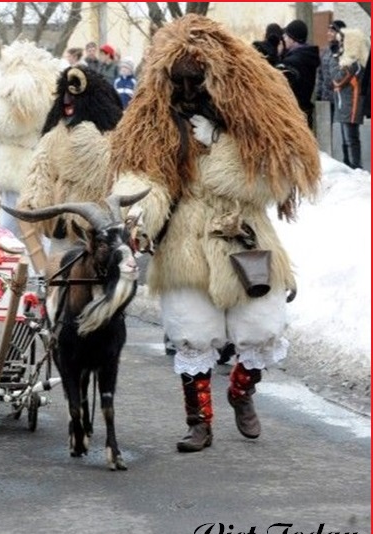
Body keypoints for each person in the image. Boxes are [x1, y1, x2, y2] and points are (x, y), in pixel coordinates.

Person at [107, 14, 320, 453]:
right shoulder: (159, 124)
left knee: (262, 328)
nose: (190, 94)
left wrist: (222, 141)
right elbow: (148, 177)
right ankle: (199, 420)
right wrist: (135, 213)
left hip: (245, 235)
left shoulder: (255, 126)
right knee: (192, 330)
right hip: (185, 238)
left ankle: (242, 391)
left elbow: (273, 182)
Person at [18, 64, 124, 259]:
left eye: (74, 96)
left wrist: (88, 143)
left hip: (94, 223)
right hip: (61, 222)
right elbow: (40, 170)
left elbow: (113, 174)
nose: (67, 101)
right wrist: (34, 200)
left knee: (93, 274)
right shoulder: (54, 135)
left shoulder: (108, 137)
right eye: (64, 95)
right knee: (61, 273)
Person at [0, 40, 59, 242]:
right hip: (39, 167)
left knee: (10, 227)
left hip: (16, 166)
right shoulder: (48, 89)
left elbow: (2, 121)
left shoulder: (18, 88)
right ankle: (38, 268)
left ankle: (18, 265)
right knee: (38, 226)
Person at [331, 28, 369, 170]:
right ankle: (349, 165)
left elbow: (337, 80)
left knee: (351, 140)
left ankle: (355, 167)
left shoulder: (352, 65)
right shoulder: (351, 64)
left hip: (351, 107)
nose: (340, 45)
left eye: (342, 42)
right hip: (344, 105)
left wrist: (335, 59)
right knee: (347, 140)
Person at [277, 19, 321, 128]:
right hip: (304, 113)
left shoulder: (293, 61)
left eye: (286, 37)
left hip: (294, 116)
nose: (284, 39)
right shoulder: (307, 56)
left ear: (293, 39)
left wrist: (278, 56)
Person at [314, 20, 347, 162]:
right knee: (328, 131)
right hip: (327, 98)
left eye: (332, 31)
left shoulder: (344, 50)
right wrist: (319, 95)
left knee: (341, 132)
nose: (329, 33)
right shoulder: (326, 51)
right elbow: (321, 74)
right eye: (328, 30)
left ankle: (344, 159)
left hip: (341, 98)